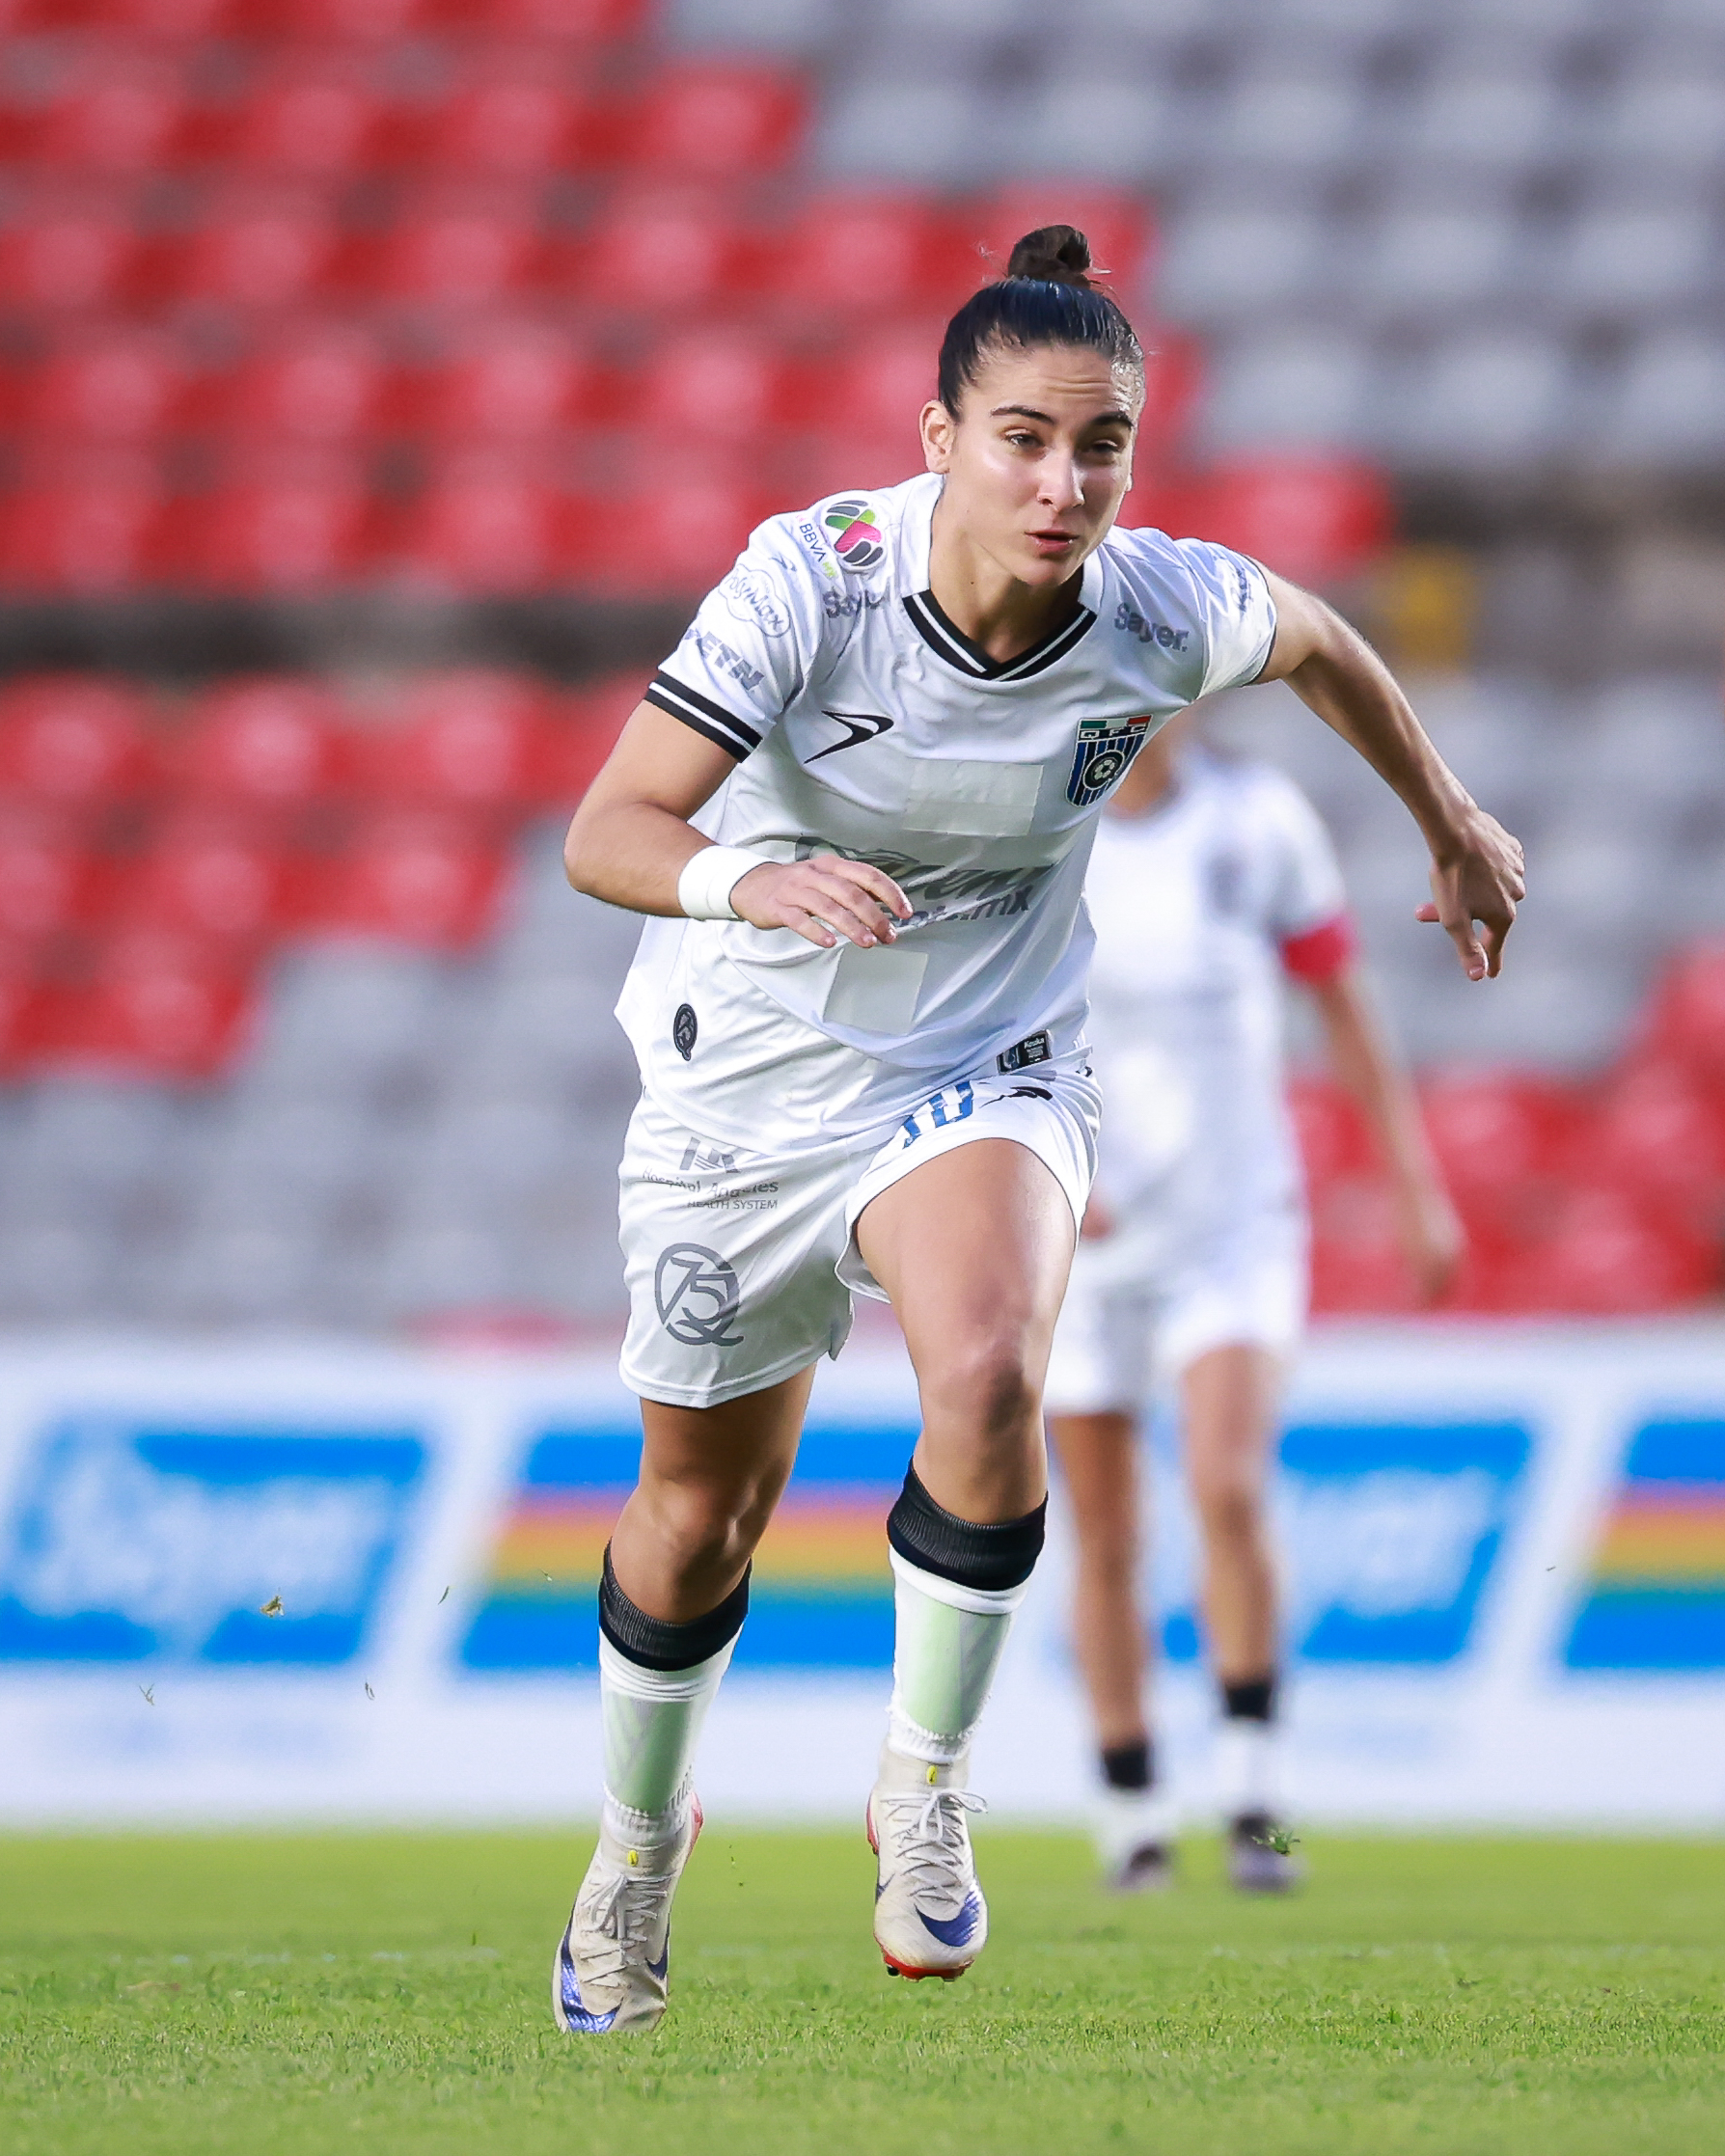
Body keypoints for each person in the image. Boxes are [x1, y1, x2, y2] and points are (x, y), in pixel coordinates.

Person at [553, 224, 1522, 2035]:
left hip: (977, 1063)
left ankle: (921, 1785)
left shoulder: (1153, 607)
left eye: (1101, 443)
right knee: (698, 1517)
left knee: (992, 1372)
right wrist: (751, 884)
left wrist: (1447, 823)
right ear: (935, 438)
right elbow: (604, 830)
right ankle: (633, 1848)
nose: (1063, 483)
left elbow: (1314, 641)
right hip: (742, 1083)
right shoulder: (805, 585)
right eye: (1020, 438)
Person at [1043, 713, 1464, 1896]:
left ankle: (1255, 1794)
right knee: (1108, 1533)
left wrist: (1414, 1187)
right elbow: (983, 1026)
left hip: (1233, 1220)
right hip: (1088, 1233)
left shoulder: (1257, 822)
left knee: (1227, 1485)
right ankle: (1129, 1809)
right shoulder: (1043, 832)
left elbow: (1343, 1005)